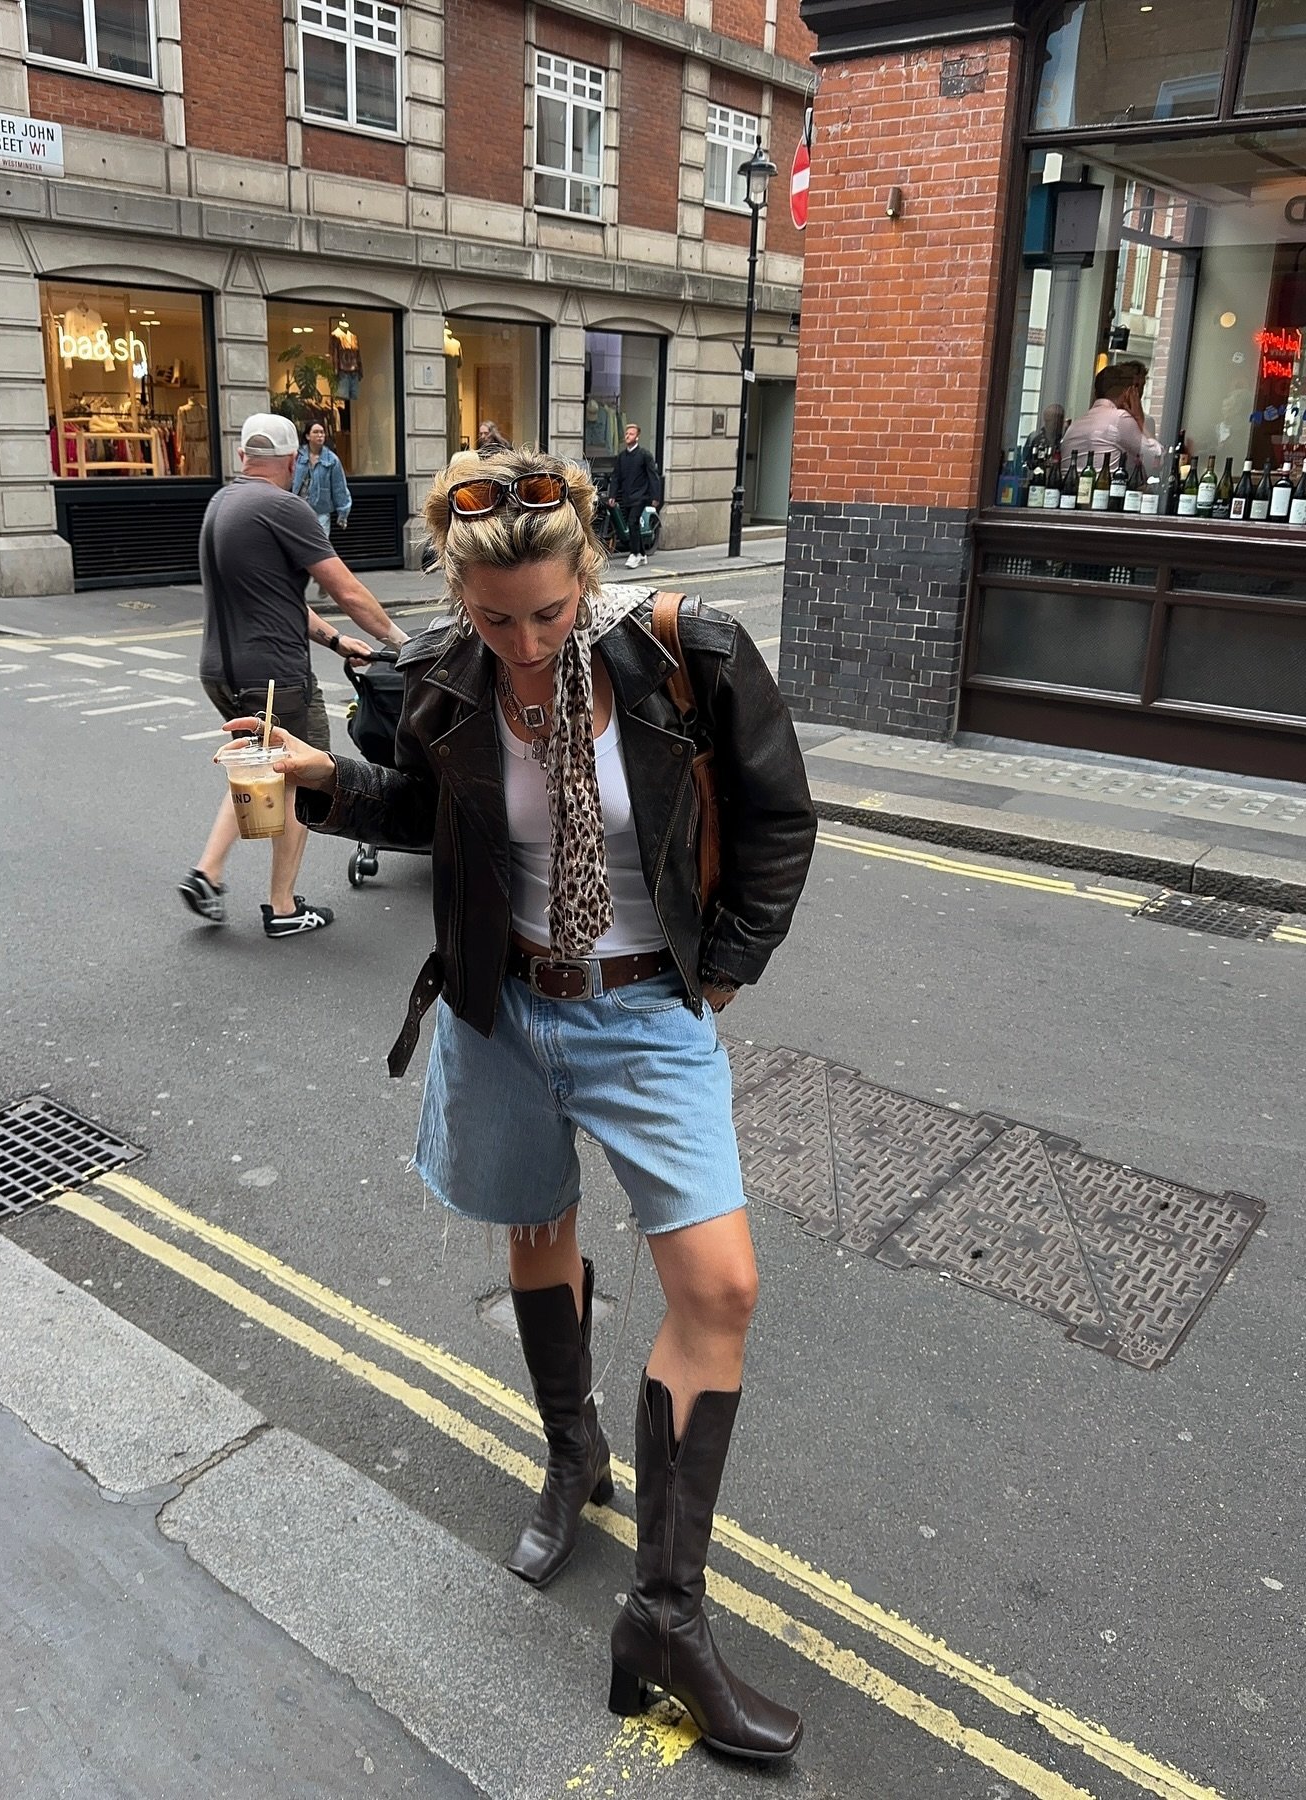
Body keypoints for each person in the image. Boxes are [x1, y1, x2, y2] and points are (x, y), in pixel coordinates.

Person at [235, 448, 816, 1760]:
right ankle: (573, 1453)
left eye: (548, 615)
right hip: (505, 1007)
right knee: (535, 1227)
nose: (527, 644)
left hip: (644, 1008)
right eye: (497, 621)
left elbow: (781, 818)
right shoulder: (444, 678)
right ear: (460, 598)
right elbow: (423, 819)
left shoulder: (689, 655)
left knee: (719, 1289)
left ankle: (663, 1621)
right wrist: (319, 779)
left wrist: (722, 971)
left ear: (584, 579)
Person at [179, 413, 409, 937]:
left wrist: (333, 640)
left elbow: (273, 598)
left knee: (261, 771)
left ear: (243, 457)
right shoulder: (285, 508)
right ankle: (282, 907)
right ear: (291, 460)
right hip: (275, 677)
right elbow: (347, 591)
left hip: (220, 672)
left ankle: (207, 873)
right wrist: (403, 644)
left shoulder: (222, 504)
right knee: (300, 774)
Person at [1059, 365, 1164, 474]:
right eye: (1137, 389)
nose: (1139, 395)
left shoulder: (1075, 425)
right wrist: (1140, 420)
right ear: (1129, 393)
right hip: (1105, 489)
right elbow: (1156, 460)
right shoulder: (1120, 418)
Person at [607, 423, 663, 568]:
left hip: (641, 496)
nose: (627, 436)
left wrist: (655, 496)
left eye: (631, 434)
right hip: (627, 496)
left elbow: (653, 476)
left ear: (637, 437)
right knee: (634, 526)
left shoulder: (644, 455)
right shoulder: (622, 457)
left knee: (632, 522)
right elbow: (616, 477)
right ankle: (643, 554)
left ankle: (635, 554)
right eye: (626, 433)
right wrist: (612, 495)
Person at [292, 421, 352, 540]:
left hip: (321, 511)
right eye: (316, 432)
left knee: (320, 544)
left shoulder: (331, 460)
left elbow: (339, 487)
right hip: (299, 510)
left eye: (322, 432)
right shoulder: (297, 456)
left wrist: (343, 512)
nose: (320, 435)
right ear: (308, 436)